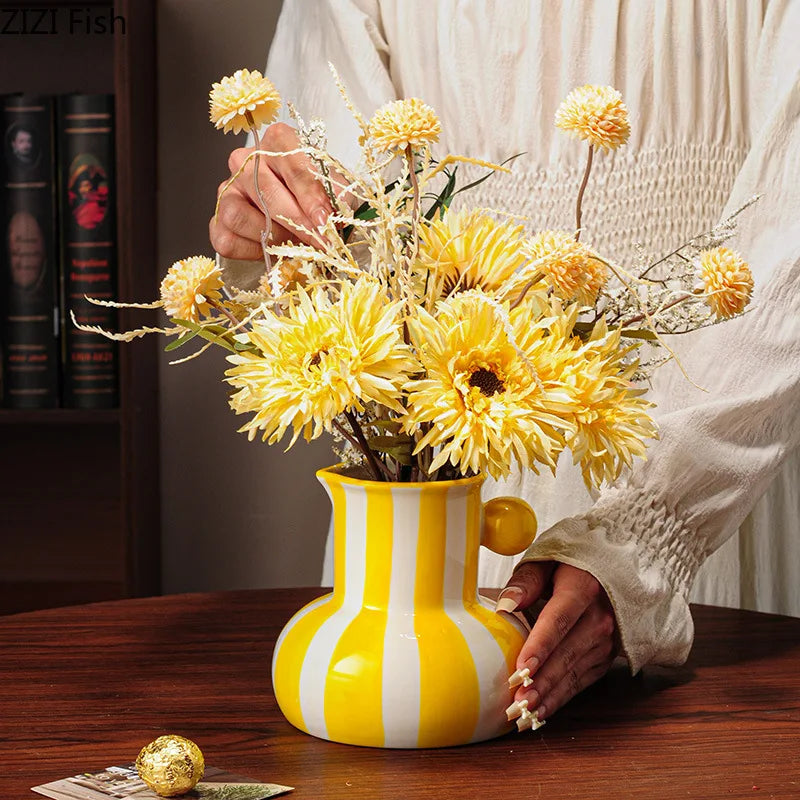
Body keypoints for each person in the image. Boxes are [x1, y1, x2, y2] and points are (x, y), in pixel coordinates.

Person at [210, 0, 800, 724]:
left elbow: (787, 257)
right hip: (442, 501)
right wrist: (273, 228)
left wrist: (643, 541)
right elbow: (339, 237)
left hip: (713, 490)